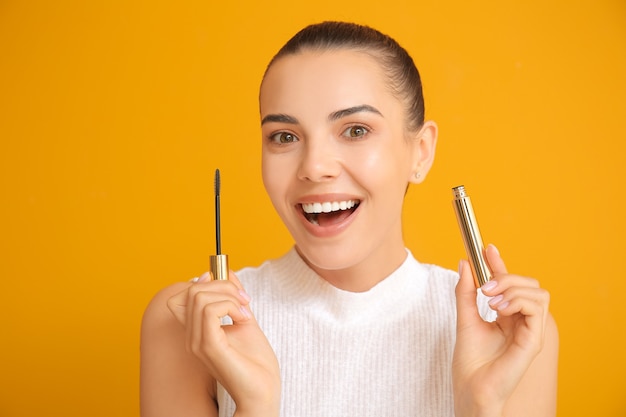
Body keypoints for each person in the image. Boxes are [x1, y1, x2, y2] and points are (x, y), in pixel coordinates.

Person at [140, 21, 559, 417]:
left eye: (355, 130)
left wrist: (481, 406)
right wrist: (255, 405)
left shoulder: (511, 334)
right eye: (284, 137)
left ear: (421, 151)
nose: (315, 167)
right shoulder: (189, 322)